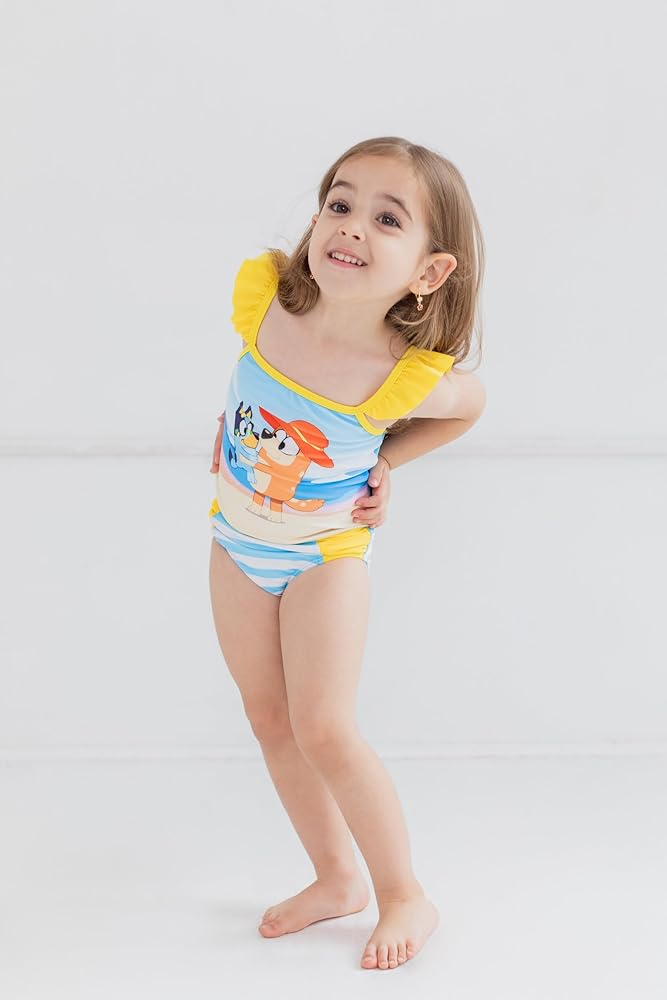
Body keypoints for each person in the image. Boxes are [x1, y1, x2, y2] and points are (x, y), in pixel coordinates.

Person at [207, 135, 487, 971]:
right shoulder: (266, 301)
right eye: (339, 202)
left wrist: (387, 462)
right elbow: (254, 401)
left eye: (386, 218)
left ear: (429, 271)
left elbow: (470, 406)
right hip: (234, 541)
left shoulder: (396, 373)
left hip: (323, 555)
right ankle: (335, 878)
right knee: (269, 719)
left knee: (324, 728)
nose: (352, 225)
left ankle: (404, 892)